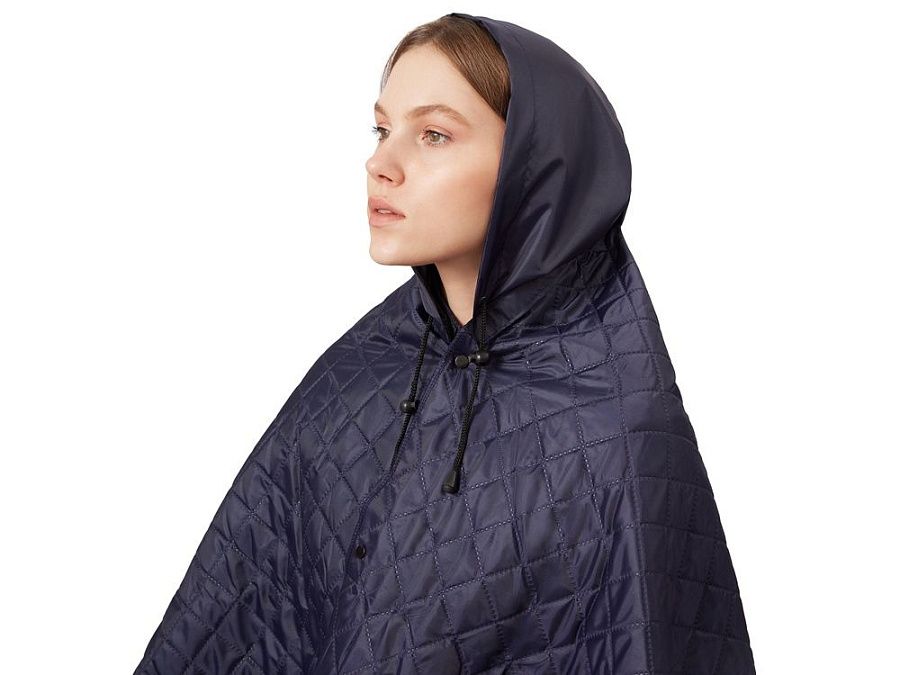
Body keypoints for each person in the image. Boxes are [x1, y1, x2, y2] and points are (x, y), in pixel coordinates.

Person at [134, 13, 756, 674]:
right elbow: (239, 617)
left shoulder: (616, 432)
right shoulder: (356, 375)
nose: (380, 164)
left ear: (535, 170)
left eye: (433, 135)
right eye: (382, 130)